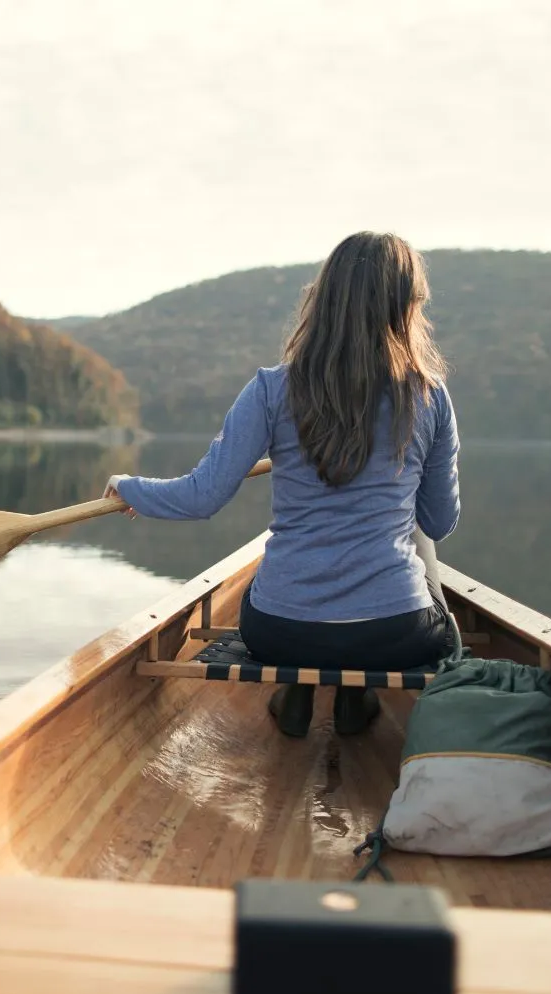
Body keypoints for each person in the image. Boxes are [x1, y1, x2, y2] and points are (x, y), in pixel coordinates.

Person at [104, 231, 461, 738]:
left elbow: (201, 496)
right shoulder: (430, 397)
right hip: (393, 635)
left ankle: (296, 690)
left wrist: (128, 486)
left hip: (281, 633)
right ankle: (356, 697)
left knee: (287, 584)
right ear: (407, 307)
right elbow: (440, 521)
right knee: (420, 540)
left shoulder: (271, 389)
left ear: (324, 299)